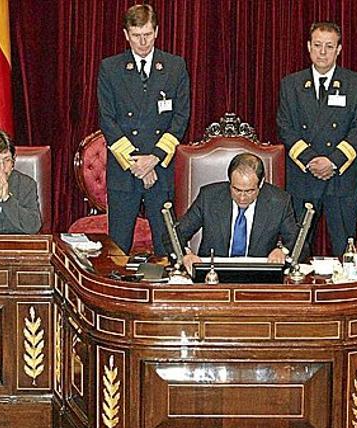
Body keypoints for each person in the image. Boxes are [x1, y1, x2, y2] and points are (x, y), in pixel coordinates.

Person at [97, 4, 191, 256]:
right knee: (118, 248)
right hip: (124, 171)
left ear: (157, 31)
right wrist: (136, 164)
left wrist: (154, 159)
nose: (142, 42)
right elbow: (107, 120)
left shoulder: (174, 66)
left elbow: (180, 118)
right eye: (136, 35)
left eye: (147, 34)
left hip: (160, 169)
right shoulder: (110, 68)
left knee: (165, 245)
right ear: (126, 34)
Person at [277, 21, 357, 256]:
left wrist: (333, 162)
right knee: (297, 249)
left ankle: (347, 291)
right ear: (308, 46)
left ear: (339, 49)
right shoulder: (291, 85)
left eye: (329, 46)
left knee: (345, 249)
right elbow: (285, 127)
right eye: (318, 45)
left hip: (341, 178)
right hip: (303, 176)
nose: (322, 52)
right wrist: (311, 160)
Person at [177, 153, 299, 271]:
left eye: (249, 191)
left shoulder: (279, 202)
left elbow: (299, 243)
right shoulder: (209, 197)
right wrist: (186, 255)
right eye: (236, 190)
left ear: (261, 184)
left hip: (259, 276)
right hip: (212, 276)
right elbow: (175, 236)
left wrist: (282, 251)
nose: (242, 197)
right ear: (229, 182)